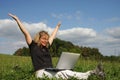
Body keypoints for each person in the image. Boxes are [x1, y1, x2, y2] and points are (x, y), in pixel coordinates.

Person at [8, 13, 105, 80]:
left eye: (46, 39)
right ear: (38, 38)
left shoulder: (47, 46)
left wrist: (57, 27)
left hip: (51, 71)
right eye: (43, 39)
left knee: (66, 71)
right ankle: (92, 73)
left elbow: (53, 37)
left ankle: (93, 73)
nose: (45, 41)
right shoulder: (33, 46)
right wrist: (17, 20)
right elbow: (25, 32)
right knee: (62, 73)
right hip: (40, 72)